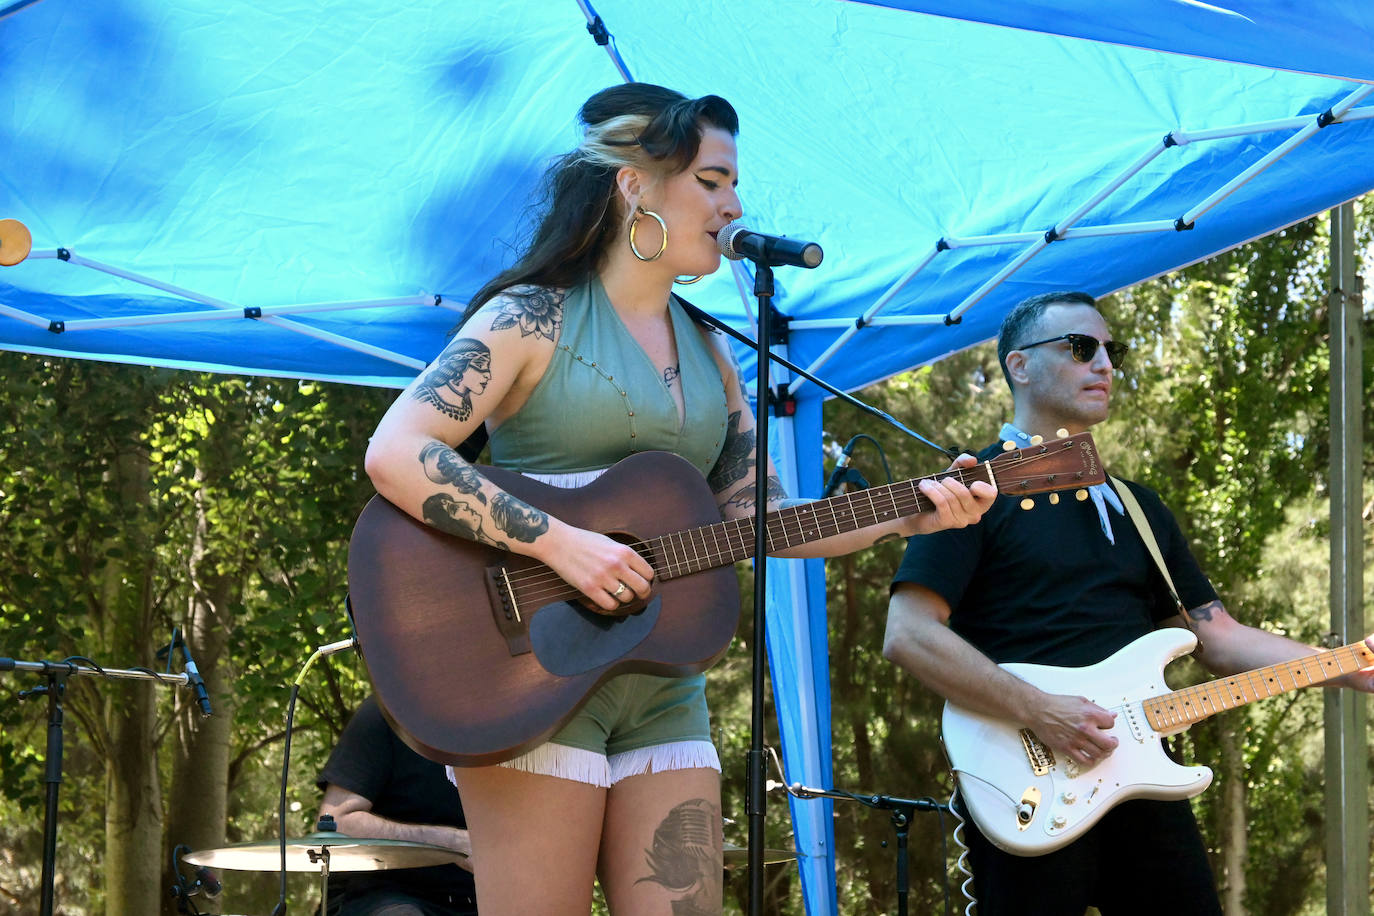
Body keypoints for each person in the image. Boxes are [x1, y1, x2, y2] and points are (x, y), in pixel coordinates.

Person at [363, 82, 996, 915]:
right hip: (528, 669)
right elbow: (397, 452)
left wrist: (913, 510)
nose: (733, 203)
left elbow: (764, 524)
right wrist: (561, 545)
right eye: (711, 179)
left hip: (664, 681)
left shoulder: (714, 355)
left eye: (734, 184)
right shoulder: (529, 319)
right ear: (635, 185)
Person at [883, 290, 1374, 915]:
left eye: (1112, 351)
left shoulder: (1141, 508)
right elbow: (908, 634)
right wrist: (1040, 710)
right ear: (1019, 366)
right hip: (1027, 779)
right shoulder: (972, 490)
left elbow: (1215, 635)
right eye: (1081, 348)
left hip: (1144, 778)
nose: (1105, 365)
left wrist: (1351, 663)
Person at [316, 696, 477, 916]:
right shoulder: (386, 712)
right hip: (383, 896)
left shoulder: (513, 727)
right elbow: (337, 822)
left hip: (481, 898)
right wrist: (451, 843)